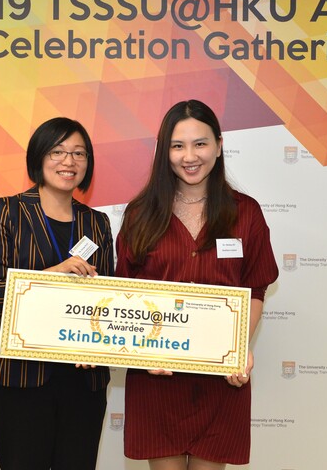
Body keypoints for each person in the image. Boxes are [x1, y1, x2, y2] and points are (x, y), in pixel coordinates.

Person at [116, 100, 279, 469]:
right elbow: (125, 293)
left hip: (220, 377)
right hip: (157, 376)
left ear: (219, 146)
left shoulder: (245, 213)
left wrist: (238, 348)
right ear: (165, 151)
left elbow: (254, 289)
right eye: (178, 146)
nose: (189, 156)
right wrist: (141, 352)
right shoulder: (140, 215)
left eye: (200, 143)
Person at [0, 117, 114, 470]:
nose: (69, 161)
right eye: (58, 152)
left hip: (83, 381)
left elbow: (108, 299)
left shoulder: (97, 223)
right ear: (39, 157)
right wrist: (54, 273)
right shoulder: (6, 210)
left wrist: (100, 343)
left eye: (79, 153)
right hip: (21, 380)